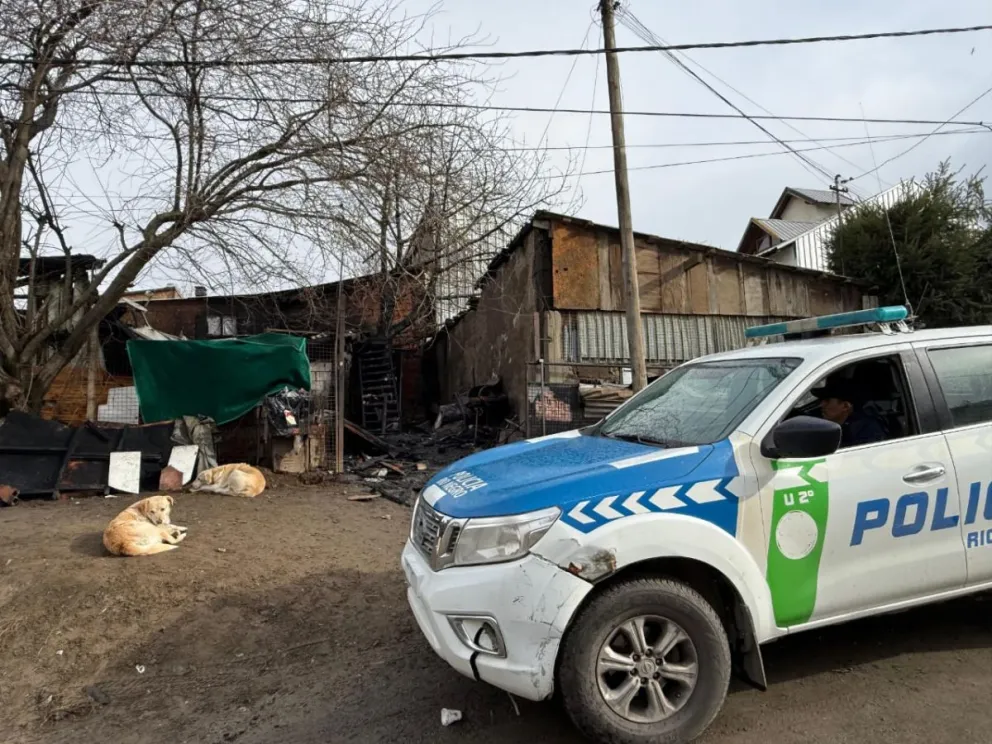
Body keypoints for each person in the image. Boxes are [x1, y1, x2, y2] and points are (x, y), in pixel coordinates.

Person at [812, 378, 887, 448]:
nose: (822, 404)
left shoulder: (867, 430)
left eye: (827, 400)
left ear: (846, 406)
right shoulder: (830, 425)